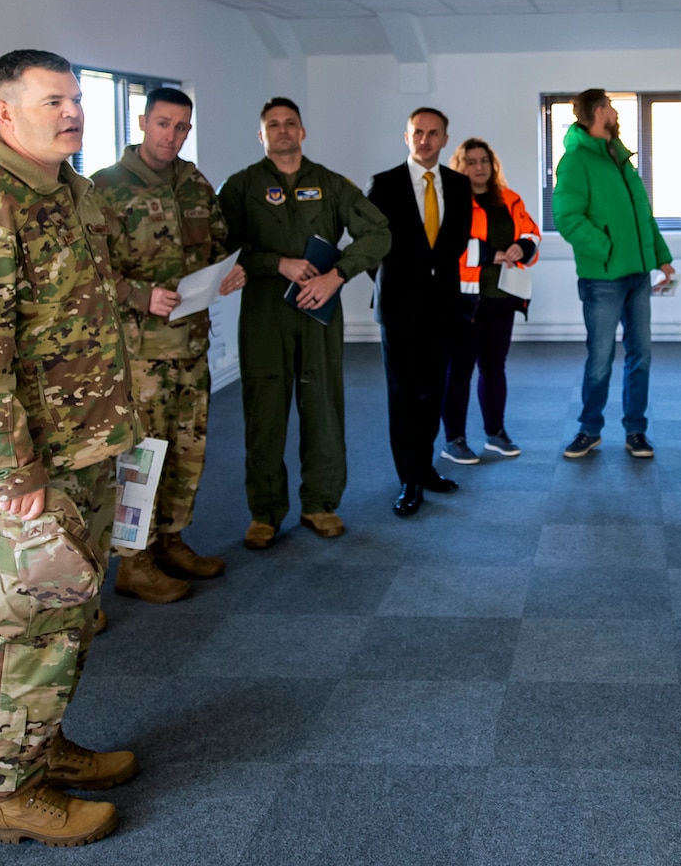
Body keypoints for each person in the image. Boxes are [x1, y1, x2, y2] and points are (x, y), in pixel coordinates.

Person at [0, 49, 143, 847]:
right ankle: (11, 793)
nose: (73, 112)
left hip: (84, 449)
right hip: (26, 469)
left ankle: (43, 749)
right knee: (22, 624)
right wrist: (13, 474)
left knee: (70, 616)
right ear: (4, 113)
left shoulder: (71, 192)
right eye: (54, 101)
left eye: (77, 99)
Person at [91, 87, 245, 602]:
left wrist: (230, 272)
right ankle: (134, 561)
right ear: (142, 120)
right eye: (162, 124)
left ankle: (170, 540)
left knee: (187, 450)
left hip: (190, 343)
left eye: (181, 127)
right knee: (141, 457)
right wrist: (138, 294)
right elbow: (85, 276)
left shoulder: (194, 182)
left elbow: (218, 244)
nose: (171, 136)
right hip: (139, 355)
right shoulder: (104, 189)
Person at [220, 97, 391, 547]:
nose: (282, 131)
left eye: (290, 123)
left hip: (317, 310)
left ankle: (320, 503)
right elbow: (219, 246)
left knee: (323, 408)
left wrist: (338, 275)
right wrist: (275, 263)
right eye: (272, 125)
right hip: (264, 312)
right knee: (264, 411)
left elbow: (378, 232)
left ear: (302, 131)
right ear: (261, 135)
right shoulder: (241, 186)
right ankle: (265, 512)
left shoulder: (333, 186)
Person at [551, 88, 674, 459]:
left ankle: (636, 431)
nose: (615, 113)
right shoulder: (575, 161)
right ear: (598, 110)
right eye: (611, 107)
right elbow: (567, 219)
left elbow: (643, 218)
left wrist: (662, 258)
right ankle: (589, 429)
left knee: (641, 356)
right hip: (602, 278)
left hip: (637, 276)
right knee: (601, 358)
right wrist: (608, 249)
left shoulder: (621, 159)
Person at [366, 107, 473, 516]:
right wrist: (390, 285)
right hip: (398, 310)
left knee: (433, 392)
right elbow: (366, 245)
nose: (425, 140)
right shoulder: (385, 184)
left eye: (433, 133)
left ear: (445, 139)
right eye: (417, 133)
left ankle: (426, 468)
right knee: (405, 395)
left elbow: (456, 243)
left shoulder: (459, 185)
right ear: (406, 136)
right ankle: (408, 479)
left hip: (443, 307)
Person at [440, 137, 540, 465]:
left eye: (484, 161)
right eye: (471, 162)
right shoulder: (450, 201)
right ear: (461, 166)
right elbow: (446, 245)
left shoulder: (509, 199)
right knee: (460, 370)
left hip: (502, 298)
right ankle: (454, 439)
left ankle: (495, 433)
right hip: (465, 300)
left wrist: (521, 249)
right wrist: (487, 254)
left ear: (492, 165)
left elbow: (531, 233)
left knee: (495, 368)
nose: (479, 167)